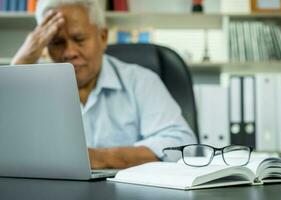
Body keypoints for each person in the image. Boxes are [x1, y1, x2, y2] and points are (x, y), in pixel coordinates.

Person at [11, 0, 196, 169]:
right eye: (57, 42)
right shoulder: (31, 86)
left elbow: (182, 144)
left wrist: (101, 158)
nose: (69, 52)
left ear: (103, 37)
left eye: (79, 39)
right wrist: (21, 62)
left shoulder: (141, 81)